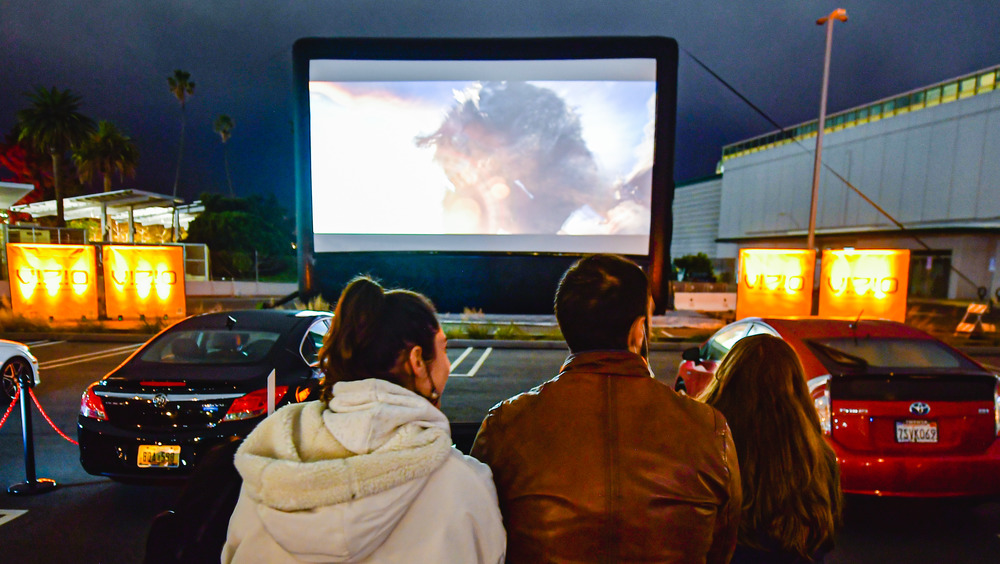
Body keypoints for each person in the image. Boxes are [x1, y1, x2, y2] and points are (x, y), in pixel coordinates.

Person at [471, 254, 741, 563]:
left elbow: (482, 540)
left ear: (566, 325)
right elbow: (720, 548)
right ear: (639, 330)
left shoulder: (506, 425)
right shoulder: (707, 428)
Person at [222, 276, 506, 563]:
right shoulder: (464, 487)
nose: (447, 363)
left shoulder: (271, 462)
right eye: (443, 349)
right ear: (417, 361)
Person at [699, 334, 842, 564]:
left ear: (727, 381)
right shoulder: (818, 456)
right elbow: (825, 536)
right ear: (796, 385)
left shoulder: (707, 442)